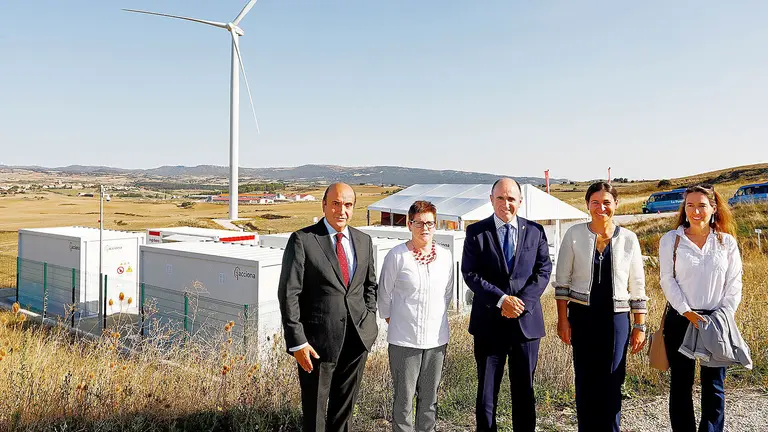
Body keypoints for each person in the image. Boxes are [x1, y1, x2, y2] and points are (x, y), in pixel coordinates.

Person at [277, 183, 379, 432]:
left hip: (357, 341)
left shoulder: (363, 241)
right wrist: (298, 342)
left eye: (347, 204)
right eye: (335, 203)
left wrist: (369, 321)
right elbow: (288, 294)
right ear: (324, 205)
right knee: (315, 416)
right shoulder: (303, 240)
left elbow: (370, 286)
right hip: (316, 346)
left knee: (343, 415)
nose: (341, 210)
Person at [553, 181, 648, 432]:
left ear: (616, 204)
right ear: (587, 205)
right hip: (582, 317)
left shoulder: (629, 239)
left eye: (607, 202)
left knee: (613, 379)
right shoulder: (574, 234)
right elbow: (562, 282)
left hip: (617, 319)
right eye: (595, 202)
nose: (601, 207)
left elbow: (637, 285)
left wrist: (640, 325)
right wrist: (562, 320)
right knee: (585, 380)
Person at [461, 178, 552, 432]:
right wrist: (502, 300)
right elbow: (470, 273)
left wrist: (520, 303)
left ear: (520, 202)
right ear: (491, 200)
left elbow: (543, 270)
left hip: (526, 325)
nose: (506, 203)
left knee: (524, 390)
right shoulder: (476, 233)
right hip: (489, 324)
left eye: (511, 198)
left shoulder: (535, 231)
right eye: (500, 198)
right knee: (487, 394)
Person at [659, 183, 742, 432]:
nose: (696, 211)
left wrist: (724, 314)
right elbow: (667, 279)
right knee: (681, 385)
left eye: (702, 206)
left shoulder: (726, 242)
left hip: (716, 320)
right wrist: (686, 311)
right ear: (684, 209)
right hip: (681, 319)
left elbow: (734, 282)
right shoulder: (671, 240)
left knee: (714, 386)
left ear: (714, 208)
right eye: (690, 205)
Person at [378, 200, 454, 432]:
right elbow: (384, 295)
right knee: (404, 401)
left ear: (436, 225)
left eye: (430, 223)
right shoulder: (397, 256)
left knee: (429, 400)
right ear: (409, 225)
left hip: (436, 341)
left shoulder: (445, 257)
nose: (425, 228)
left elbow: (447, 294)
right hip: (404, 341)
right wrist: (397, 321)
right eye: (419, 223)